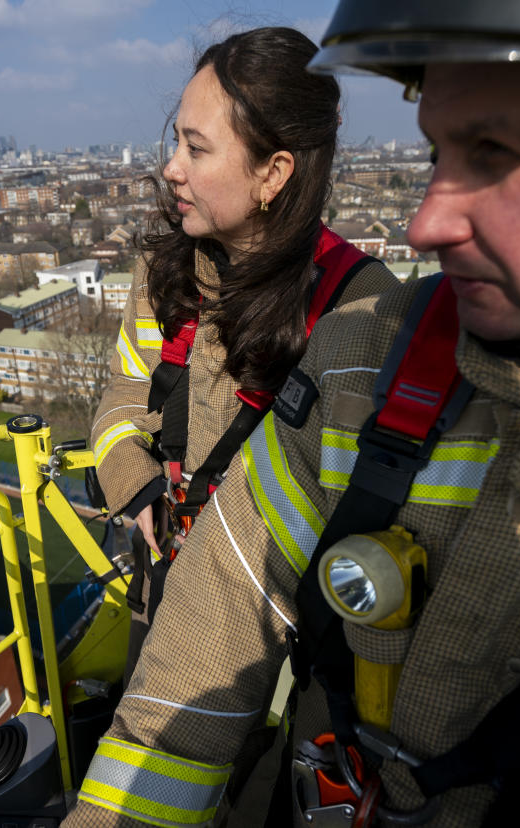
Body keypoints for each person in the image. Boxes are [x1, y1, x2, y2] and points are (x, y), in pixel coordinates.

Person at [66, 2, 520, 826]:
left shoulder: (352, 318)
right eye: (435, 153)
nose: (428, 222)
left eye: (494, 154)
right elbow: (204, 650)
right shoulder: (368, 359)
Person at [89, 26, 397, 672]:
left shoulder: (362, 310)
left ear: (273, 173)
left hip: (284, 633)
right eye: (175, 139)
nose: (171, 166)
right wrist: (136, 483)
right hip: (168, 586)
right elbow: (124, 390)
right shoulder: (167, 275)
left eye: (196, 148)